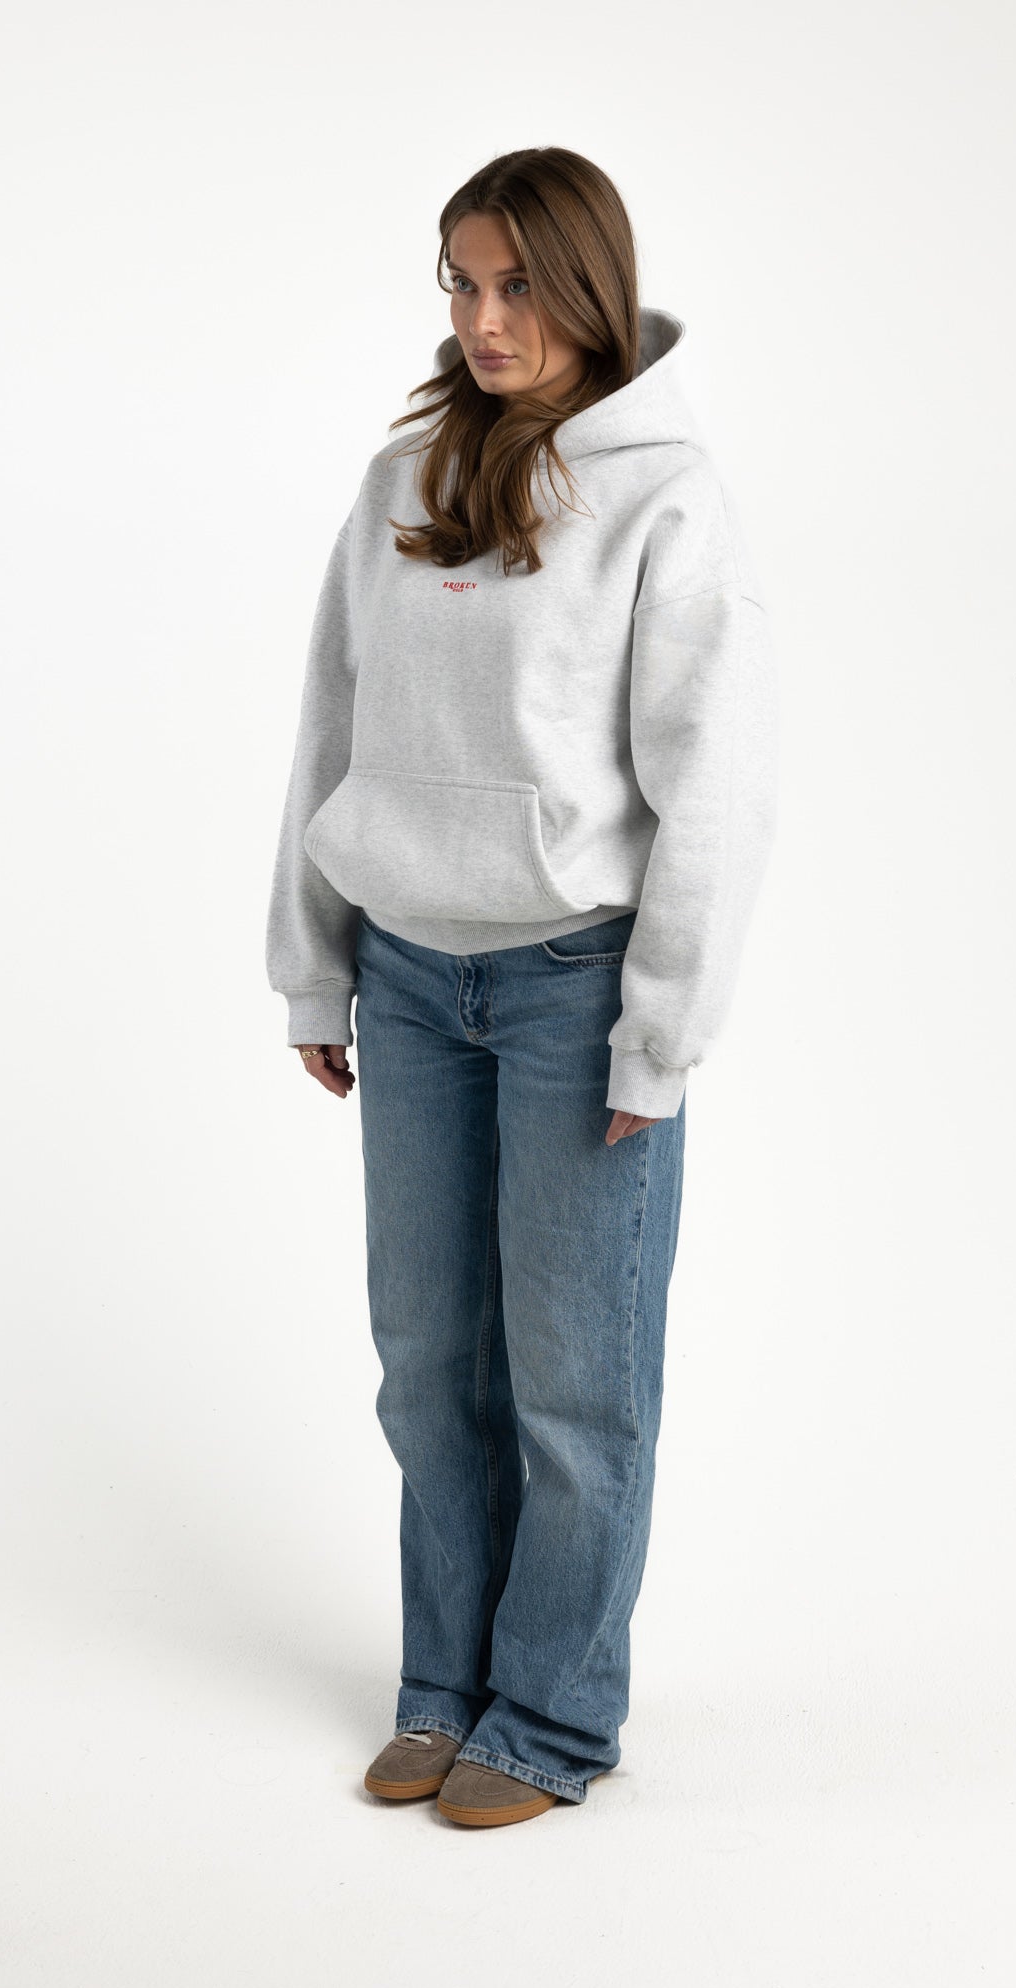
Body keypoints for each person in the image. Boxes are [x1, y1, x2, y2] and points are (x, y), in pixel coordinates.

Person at [265, 147, 780, 1828]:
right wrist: (316, 970)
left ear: (590, 289)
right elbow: (332, 728)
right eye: (463, 285)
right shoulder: (401, 478)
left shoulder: (665, 498)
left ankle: (549, 1716)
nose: (487, 321)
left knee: (575, 1385)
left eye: (520, 287)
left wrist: (662, 1033)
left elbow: (713, 783)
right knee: (428, 1366)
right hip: (411, 980)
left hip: (575, 992)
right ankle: (445, 1685)